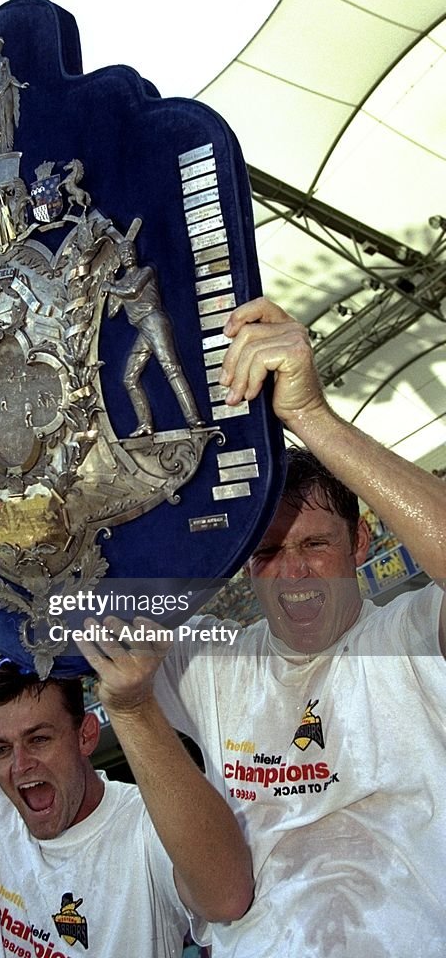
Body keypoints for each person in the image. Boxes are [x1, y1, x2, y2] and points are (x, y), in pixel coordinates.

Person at [81, 297, 445, 956]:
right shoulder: (214, 658)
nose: (293, 573)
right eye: (269, 553)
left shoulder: (411, 637)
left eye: (315, 544)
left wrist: (310, 417)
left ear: (362, 541)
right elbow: (66, 601)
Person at [0, 488, 252, 956]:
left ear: (86, 735)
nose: (18, 765)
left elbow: (227, 896)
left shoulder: (143, 826)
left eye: (39, 739)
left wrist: (134, 707)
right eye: (0, 747)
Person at [101, 240, 203, 435]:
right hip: (142, 329)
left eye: (130, 250)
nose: (128, 254)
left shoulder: (145, 271)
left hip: (154, 322)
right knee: (129, 378)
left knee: (171, 369)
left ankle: (194, 420)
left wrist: (112, 288)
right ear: (120, 259)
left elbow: (133, 292)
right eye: (123, 253)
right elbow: (113, 312)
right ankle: (145, 424)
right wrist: (111, 285)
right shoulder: (120, 283)